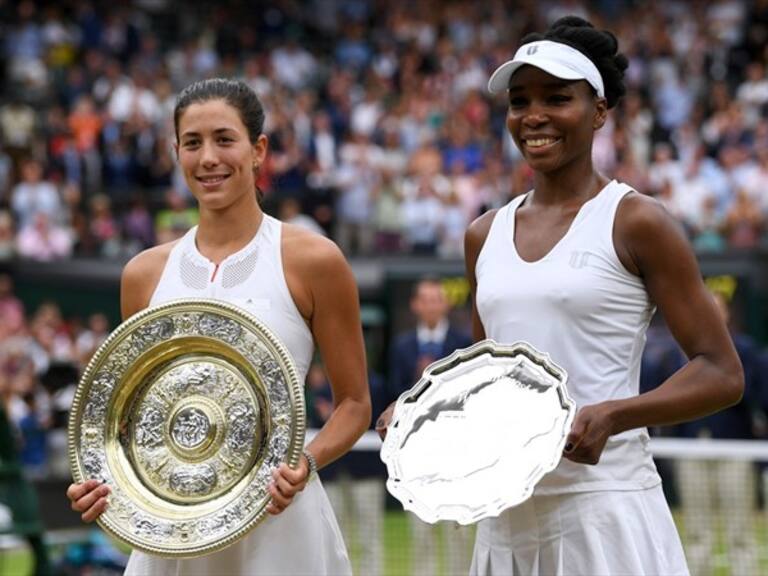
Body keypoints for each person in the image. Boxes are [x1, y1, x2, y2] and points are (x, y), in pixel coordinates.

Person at [378, 16, 743, 576]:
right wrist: (426, 410)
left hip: (608, 512)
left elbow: (722, 373)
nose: (534, 117)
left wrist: (613, 415)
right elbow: (487, 380)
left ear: (599, 110)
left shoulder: (637, 220)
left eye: (557, 98)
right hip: (505, 519)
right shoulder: (483, 233)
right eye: (519, 101)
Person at [66, 78, 371, 576]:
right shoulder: (143, 275)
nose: (208, 158)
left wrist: (306, 462)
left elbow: (354, 403)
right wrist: (103, 484)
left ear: (258, 150)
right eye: (192, 143)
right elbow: (134, 421)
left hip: (280, 527)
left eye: (224, 139)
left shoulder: (313, 259)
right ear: (176, 152)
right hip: (174, 533)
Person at [387, 278, 474, 576]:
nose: (432, 305)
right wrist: (417, 380)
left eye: (437, 299)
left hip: (458, 449)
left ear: (445, 303)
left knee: (458, 531)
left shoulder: (464, 342)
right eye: (425, 299)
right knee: (421, 529)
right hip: (416, 452)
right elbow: (394, 392)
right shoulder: (402, 346)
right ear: (415, 306)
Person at [674, 291, 762, 576]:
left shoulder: (746, 350)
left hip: (734, 449)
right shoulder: (679, 350)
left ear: (727, 313)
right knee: (697, 531)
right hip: (691, 449)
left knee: (739, 530)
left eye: (718, 307)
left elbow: (756, 396)